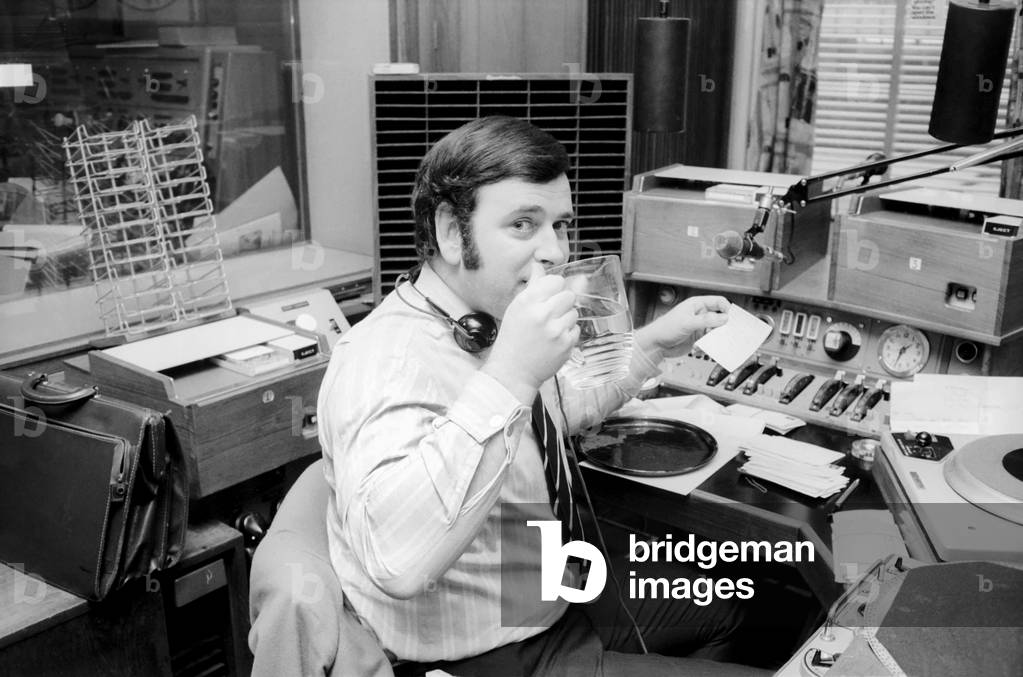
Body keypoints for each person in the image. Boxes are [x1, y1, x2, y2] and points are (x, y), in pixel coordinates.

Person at [317, 116, 768, 676]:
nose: (554, 250)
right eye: (523, 224)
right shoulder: (384, 361)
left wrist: (653, 344)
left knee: (733, 610)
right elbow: (397, 565)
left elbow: (552, 413)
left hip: (537, 582)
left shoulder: (488, 320)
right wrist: (511, 374)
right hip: (493, 652)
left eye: (560, 225)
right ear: (452, 232)